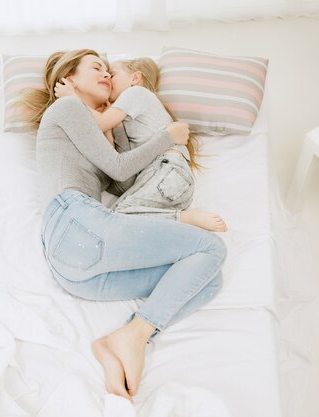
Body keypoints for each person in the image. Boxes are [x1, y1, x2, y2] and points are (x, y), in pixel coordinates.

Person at [22, 49, 227, 400]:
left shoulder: (89, 124)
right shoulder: (66, 108)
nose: (104, 74)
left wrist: (112, 130)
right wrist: (168, 137)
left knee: (208, 279)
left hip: (76, 270)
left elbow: (118, 181)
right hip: (75, 220)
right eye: (96, 68)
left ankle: (130, 335)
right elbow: (119, 170)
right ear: (68, 80)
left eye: (107, 69)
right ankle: (135, 336)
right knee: (211, 247)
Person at [54, 57, 226, 232]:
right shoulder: (130, 120)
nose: (107, 77)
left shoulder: (136, 93)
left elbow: (99, 123)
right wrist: (114, 127)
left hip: (167, 174)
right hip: (166, 184)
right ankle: (180, 217)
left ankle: (185, 218)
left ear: (135, 78)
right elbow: (123, 175)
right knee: (117, 222)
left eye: (112, 74)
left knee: (115, 219)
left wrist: (72, 97)